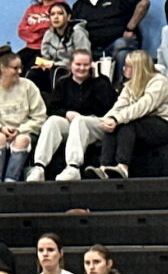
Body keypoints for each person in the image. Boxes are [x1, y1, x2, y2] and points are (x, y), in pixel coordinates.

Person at [87, 50, 168, 180]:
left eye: (127, 66)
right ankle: (104, 167)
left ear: (138, 68)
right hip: (144, 124)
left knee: (126, 124)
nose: (124, 69)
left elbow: (143, 106)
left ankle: (123, 167)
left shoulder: (160, 82)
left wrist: (117, 119)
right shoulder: (130, 86)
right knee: (114, 125)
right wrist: (109, 119)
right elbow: (119, 106)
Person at [26, 50, 116, 182]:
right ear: (71, 65)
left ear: (91, 65)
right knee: (53, 121)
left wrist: (97, 78)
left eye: (86, 65)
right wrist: (66, 113)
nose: (82, 68)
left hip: (96, 123)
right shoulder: (63, 84)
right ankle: (39, 166)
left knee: (80, 121)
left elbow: (107, 105)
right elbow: (52, 109)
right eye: (78, 64)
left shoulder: (101, 82)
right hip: (73, 125)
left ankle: (73, 167)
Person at [71, 0, 149, 84]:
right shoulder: (79, 5)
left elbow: (144, 3)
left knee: (122, 47)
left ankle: (120, 89)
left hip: (118, 45)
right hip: (92, 50)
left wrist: (130, 28)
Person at [0, 48, 46, 182]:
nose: (20, 71)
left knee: (21, 140)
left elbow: (40, 117)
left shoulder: (28, 86)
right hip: (0, 132)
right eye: (15, 68)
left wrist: (20, 130)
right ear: (3, 68)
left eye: (21, 67)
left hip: (24, 132)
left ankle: (10, 181)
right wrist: (0, 128)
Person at [28, 1, 91, 91]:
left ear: (68, 17)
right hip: (53, 68)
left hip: (72, 69)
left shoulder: (78, 33)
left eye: (60, 14)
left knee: (56, 71)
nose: (56, 17)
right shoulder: (49, 33)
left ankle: (56, 102)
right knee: (34, 72)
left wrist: (55, 64)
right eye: (52, 14)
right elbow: (45, 56)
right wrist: (42, 63)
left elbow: (83, 58)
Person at [16, 0, 64, 70]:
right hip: (31, 47)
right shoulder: (32, 9)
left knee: (30, 67)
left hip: (50, 49)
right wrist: (39, 33)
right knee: (13, 62)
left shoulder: (61, 7)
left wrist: (32, 29)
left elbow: (54, 28)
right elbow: (21, 30)